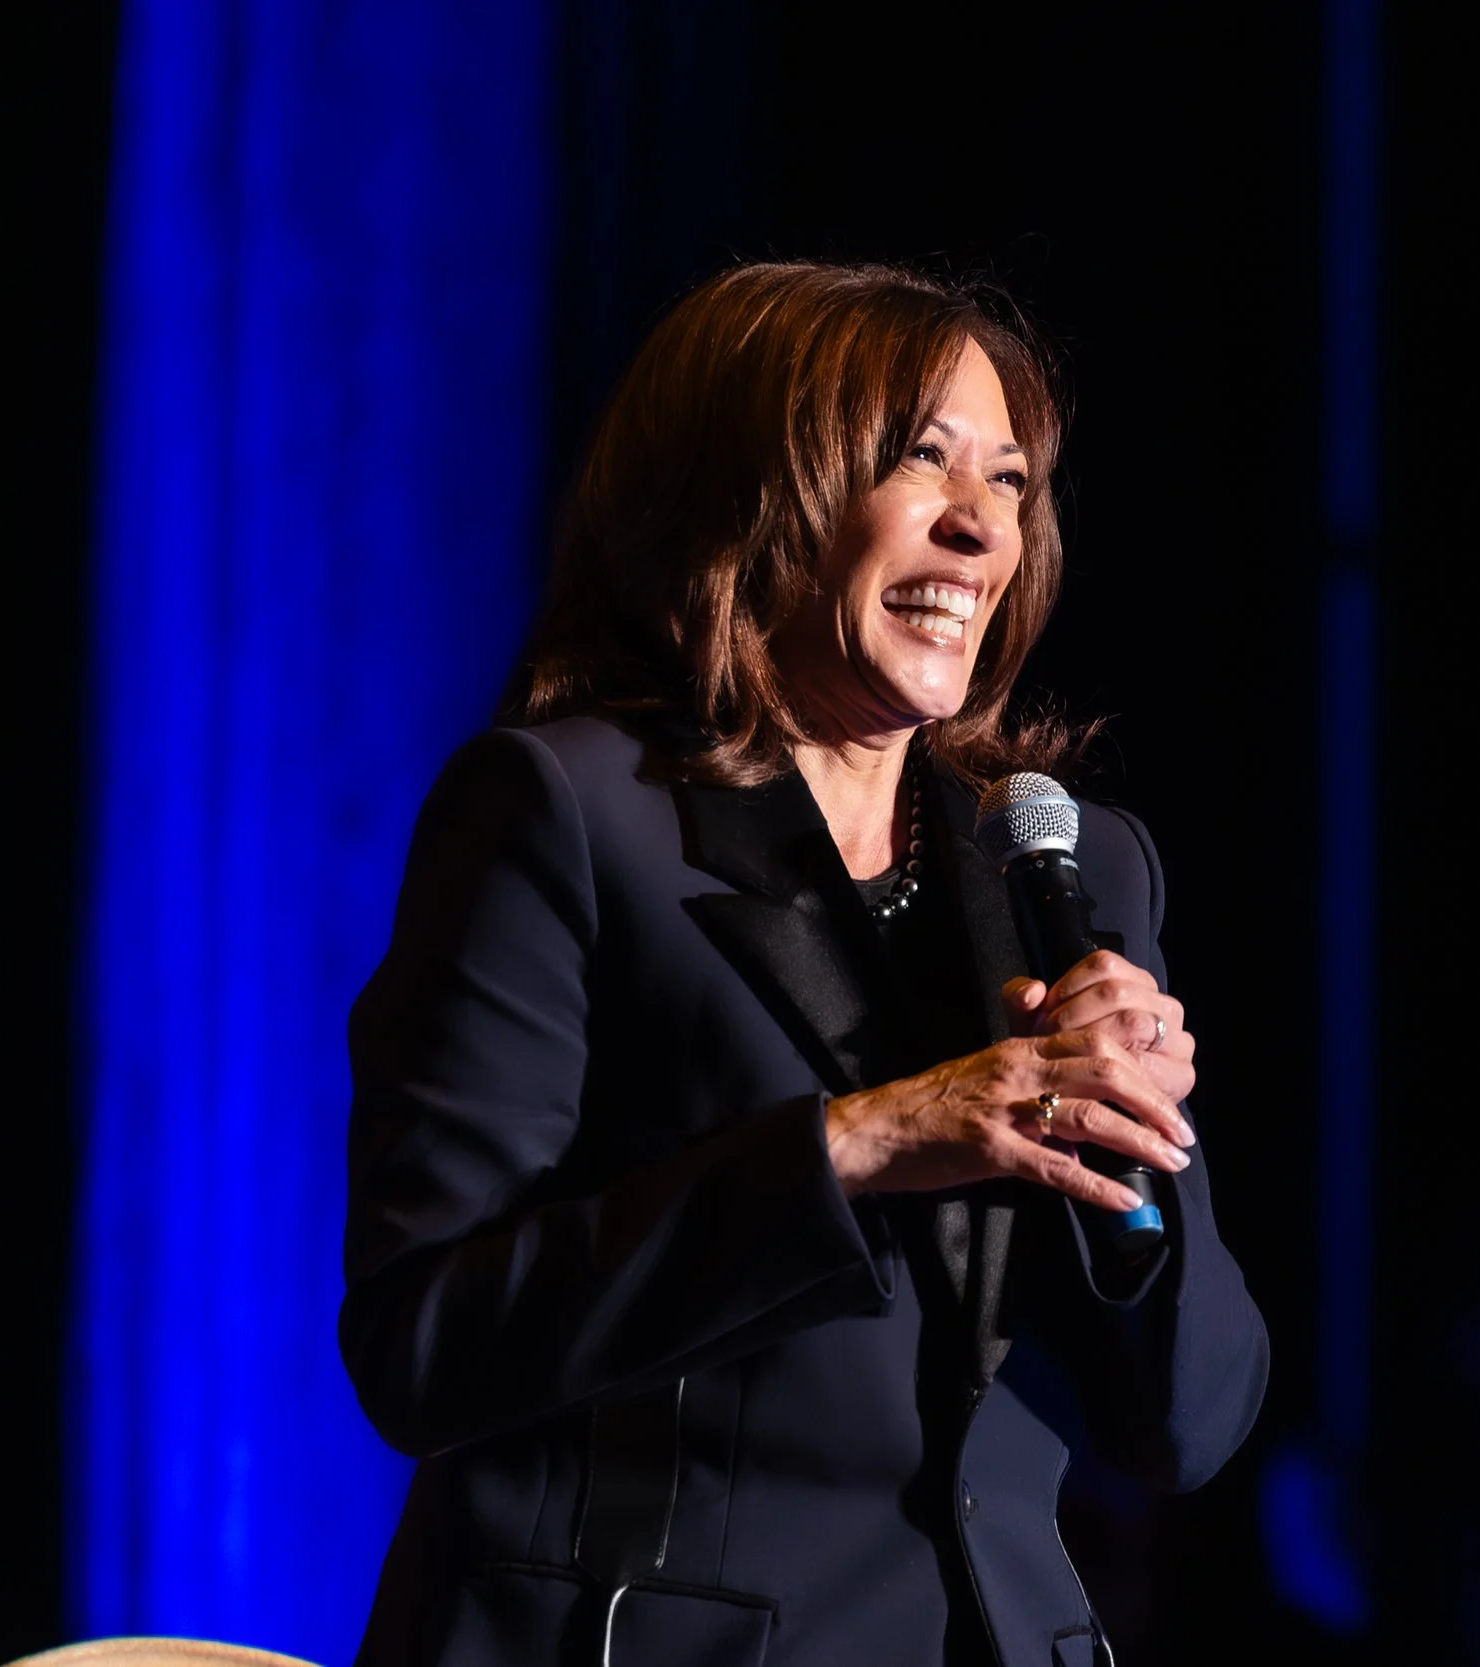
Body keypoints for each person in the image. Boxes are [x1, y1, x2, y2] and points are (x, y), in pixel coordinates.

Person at [341, 261, 1268, 1667]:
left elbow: (1188, 1425)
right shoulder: (569, 816)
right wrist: (860, 1143)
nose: (982, 527)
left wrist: (1145, 1156)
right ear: (755, 492)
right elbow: (427, 1343)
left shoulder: (1066, 871)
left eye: (1010, 480)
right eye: (921, 458)